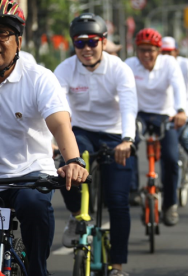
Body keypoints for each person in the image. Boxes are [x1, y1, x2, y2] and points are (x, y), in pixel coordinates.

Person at [0, 2, 88, 275]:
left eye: (2, 34)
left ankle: (37, 270)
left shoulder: (39, 79)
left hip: (30, 176)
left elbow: (61, 125)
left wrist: (73, 160)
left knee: (34, 205)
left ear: (18, 41)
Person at [54, 13, 138, 276]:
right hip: (80, 131)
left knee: (118, 202)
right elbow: (55, 109)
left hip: (115, 136)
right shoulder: (65, 69)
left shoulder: (119, 68)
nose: (87, 49)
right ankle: (77, 214)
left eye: (92, 42)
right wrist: (54, 144)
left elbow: (128, 105)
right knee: (66, 165)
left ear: (103, 42)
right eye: (80, 43)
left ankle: (117, 266)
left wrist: (128, 139)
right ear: (73, 45)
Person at [125, 28, 187, 226]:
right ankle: (133, 189)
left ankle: (170, 204)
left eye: (151, 50)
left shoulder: (169, 64)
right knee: (128, 145)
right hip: (139, 114)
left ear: (159, 51)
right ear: (136, 51)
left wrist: (181, 110)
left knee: (170, 157)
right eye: (142, 50)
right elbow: (121, 92)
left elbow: (179, 87)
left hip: (165, 115)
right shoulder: (129, 65)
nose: (146, 55)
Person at [161, 36, 188, 163]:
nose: (166, 56)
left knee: (180, 135)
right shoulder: (158, 65)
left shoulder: (186, 64)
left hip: (185, 109)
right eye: (163, 52)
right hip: (168, 111)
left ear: (176, 51)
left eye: (169, 52)